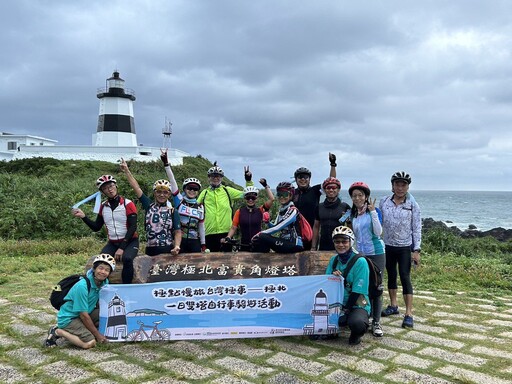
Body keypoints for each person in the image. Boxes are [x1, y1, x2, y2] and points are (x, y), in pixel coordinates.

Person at [72, 175, 139, 284]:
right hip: (113, 243)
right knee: (100, 262)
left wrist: (122, 248)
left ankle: (127, 288)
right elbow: (96, 227)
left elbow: (133, 227)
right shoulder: (103, 207)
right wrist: (83, 217)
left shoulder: (128, 204)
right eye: (105, 188)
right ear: (102, 191)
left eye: (111, 186)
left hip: (130, 241)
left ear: (116, 186)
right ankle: (99, 288)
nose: (110, 189)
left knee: (126, 259)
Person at [45, 254, 115, 349]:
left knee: (108, 313)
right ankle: (58, 331)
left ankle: (80, 329)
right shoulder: (82, 286)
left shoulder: (104, 283)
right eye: (100, 268)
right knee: (90, 342)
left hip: (85, 313)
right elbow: (83, 315)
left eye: (107, 270)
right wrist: (98, 335)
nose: (103, 272)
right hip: (70, 318)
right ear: (94, 269)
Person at [379, 171, 421, 328]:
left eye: (403, 185)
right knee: (391, 275)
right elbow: (377, 221)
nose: (400, 187)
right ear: (392, 186)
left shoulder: (412, 205)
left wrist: (416, 250)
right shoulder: (384, 202)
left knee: (405, 276)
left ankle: (409, 313)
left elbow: (416, 229)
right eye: (397, 184)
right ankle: (393, 305)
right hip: (387, 246)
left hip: (404, 247)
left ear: (408, 186)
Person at [119, 158, 181, 256]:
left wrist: (177, 246)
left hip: (167, 249)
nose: (162, 195)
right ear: (154, 193)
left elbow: (177, 232)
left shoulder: (173, 211)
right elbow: (136, 188)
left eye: (165, 192)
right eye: (159, 192)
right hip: (150, 249)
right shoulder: (148, 205)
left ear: (169, 195)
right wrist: (126, 171)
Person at [347, 181, 386, 337]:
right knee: (363, 286)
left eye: (360, 195)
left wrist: (373, 212)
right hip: (361, 254)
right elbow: (354, 236)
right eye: (354, 196)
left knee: (376, 288)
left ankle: (376, 322)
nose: (357, 198)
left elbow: (378, 232)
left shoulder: (373, 211)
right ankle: (366, 317)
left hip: (376, 253)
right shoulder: (354, 214)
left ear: (366, 196)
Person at [326, 226, 370, 345]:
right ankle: (332, 329)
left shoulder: (360, 262)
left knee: (357, 323)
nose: (341, 245)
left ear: (351, 242)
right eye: (337, 242)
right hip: (337, 301)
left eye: (344, 241)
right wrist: (333, 277)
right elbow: (326, 283)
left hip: (356, 303)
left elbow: (357, 291)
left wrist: (346, 311)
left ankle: (356, 334)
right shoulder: (334, 260)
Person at [197, 163, 254, 252]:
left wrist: (248, 181)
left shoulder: (227, 190)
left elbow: (247, 193)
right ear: (209, 178)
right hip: (209, 232)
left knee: (226, 262)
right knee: (210, 262)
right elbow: (195, 206)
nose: (216, 178)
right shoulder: (204, 193)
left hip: (226, 233)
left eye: (218, 176)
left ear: (221, 178)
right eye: (213, 176)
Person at [160, 150, 206, 253]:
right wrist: (166, 164)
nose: (192, 191)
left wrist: (203, 244)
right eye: (190, 188)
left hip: (194, 241)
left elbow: (201, 227)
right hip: (179, 240)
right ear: (184, 189)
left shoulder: (200, 207)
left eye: (195, 189)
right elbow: (172, 181)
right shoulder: (179, 200)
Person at [293, 153, 337, 250]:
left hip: (312, 231)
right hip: (295, 232)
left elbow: (331, 181)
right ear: (296, 179)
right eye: (300, 177)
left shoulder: (315, 190)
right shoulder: (293, 192)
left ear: (309, 179)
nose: (303, 179)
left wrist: (333, 165)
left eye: (306, 177)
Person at [251, 181, 304, 254]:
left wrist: (260, 233)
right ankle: (262, 261)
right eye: (279, 194)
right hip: (285, 242)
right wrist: (268, 222)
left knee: (262, 237)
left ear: (291, 196)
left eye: (285, 194)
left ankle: (260, 261)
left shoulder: (293, 210)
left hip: (294, 244)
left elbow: (278, 227)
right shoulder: (282, 210)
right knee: (261, 240)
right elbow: (275, 226)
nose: (282, 197)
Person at [222, 179, 274, 252]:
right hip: (244, 245)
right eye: (248, 197)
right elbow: (234, 227)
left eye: (253, 197)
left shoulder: (260, 210)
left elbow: (272, 199)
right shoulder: (239, 212)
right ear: (245, 198)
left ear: (256, 199)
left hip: (259, 244)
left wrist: (265, 186)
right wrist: (228, 237)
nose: (250, 200)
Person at [311, 177, 350, 251]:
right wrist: (313, 247)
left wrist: (349, 222)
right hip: (323, 246)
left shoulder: (345, 207)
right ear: (325, 190)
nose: (331, 190)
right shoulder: (319, 207)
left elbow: (351, 228)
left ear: (338, 190)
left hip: (340, 246)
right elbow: (316, 227)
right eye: (328, 188)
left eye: (334, 187)